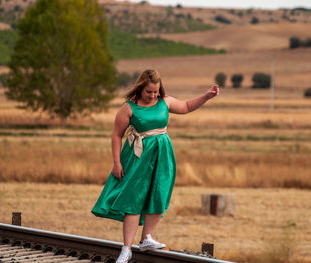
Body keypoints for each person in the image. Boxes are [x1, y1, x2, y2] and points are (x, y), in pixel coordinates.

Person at [91, 69, 219, 263]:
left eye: (156, 91)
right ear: (141, 88)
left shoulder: (164, 101)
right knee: (134, 199)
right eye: (149, 91)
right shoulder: (129, 108)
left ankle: (146, 238)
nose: (153, 95)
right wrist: (116, 163)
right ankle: (126, 249)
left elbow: (185, 106)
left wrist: (206, 96)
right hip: (138, 156)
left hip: (162, 154)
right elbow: (116, 135)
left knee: (159, 193)